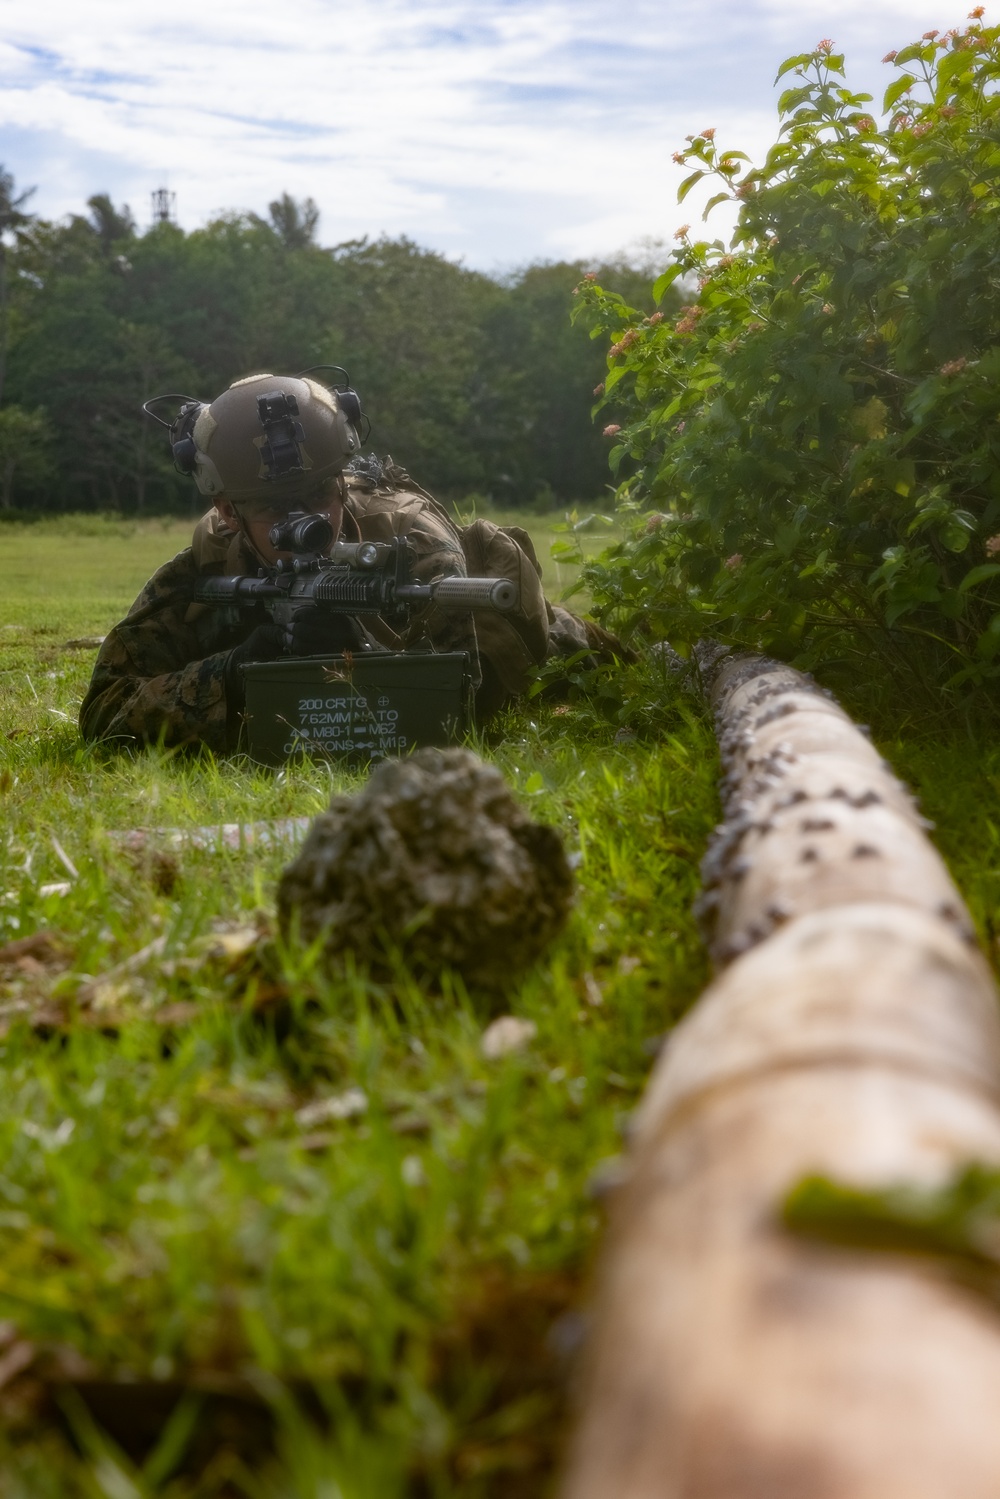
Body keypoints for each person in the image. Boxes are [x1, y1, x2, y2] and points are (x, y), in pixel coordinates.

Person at [80, 370, 563, 752]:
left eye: (318, 497)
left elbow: (464, 713)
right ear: (228, 510)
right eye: (274, 511)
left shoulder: (412, 543)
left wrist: (367, 657)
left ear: (341, 482)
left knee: (576, 654)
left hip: (508, 621)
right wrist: (234, 670)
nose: (305, 525)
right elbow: (104, 709)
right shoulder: (209, 563)